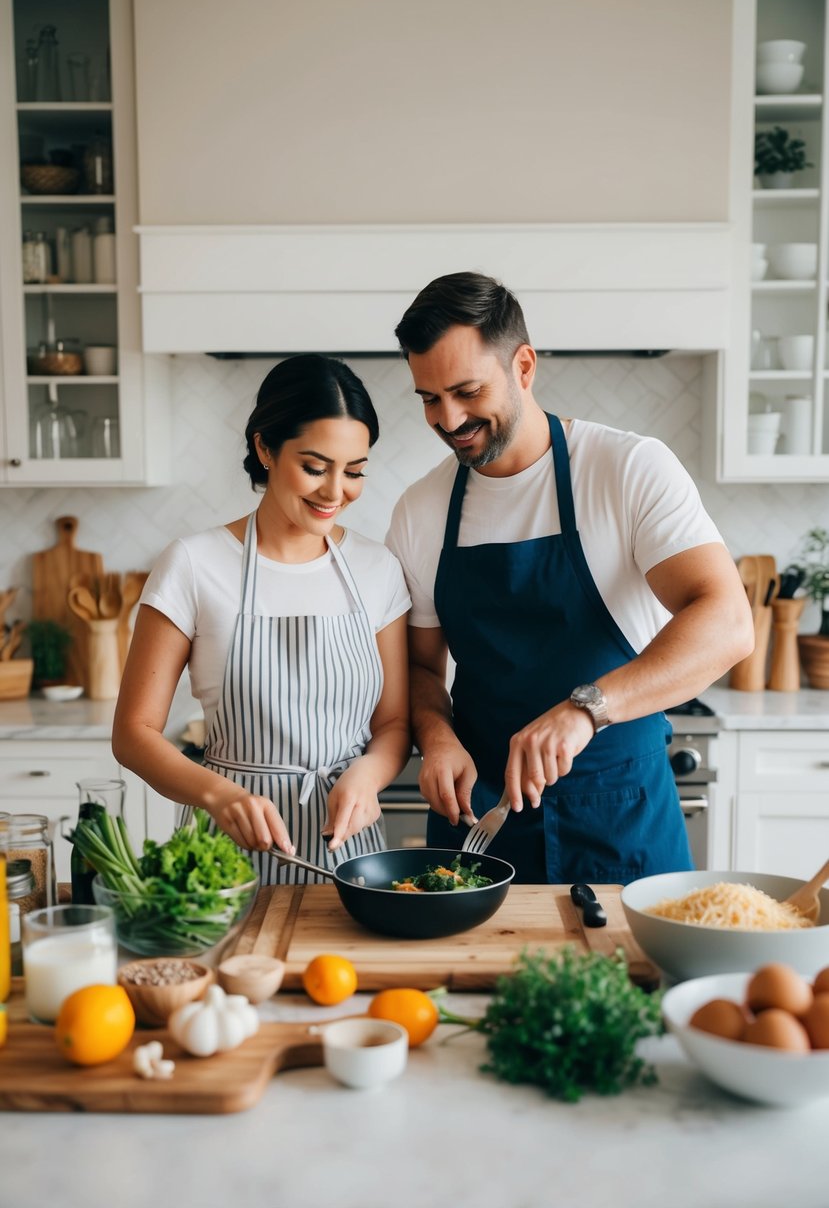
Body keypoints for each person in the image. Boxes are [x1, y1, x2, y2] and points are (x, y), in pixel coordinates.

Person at [386, 272, 754, 885]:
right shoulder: (421, 510)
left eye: (467, 391)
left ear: (523, 367)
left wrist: (588, 710)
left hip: (621, 816)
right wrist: (436, 735)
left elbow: (727, 621)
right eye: (428, 398)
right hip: (480, 822)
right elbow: (421, 669)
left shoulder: (626, 469)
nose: (448, 418)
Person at [113, 354, 411, 884]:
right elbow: (134, 733)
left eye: (355, 471)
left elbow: (392, 725)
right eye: (315, 467)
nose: (335, 491)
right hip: (226, 857)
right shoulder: (194, 563)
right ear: (265, 448)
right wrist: (218, 794)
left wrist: (367, 776)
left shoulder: (377, 568)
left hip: (352, 855)